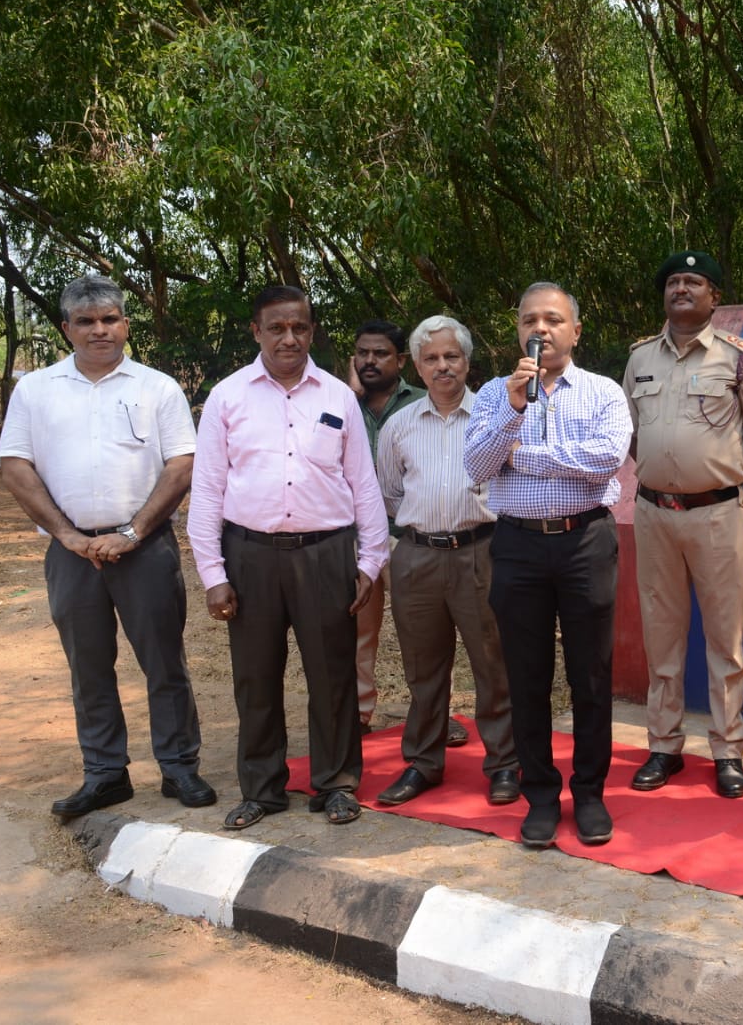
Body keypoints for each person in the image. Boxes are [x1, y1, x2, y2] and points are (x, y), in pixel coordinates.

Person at [0, 274, 215, 818]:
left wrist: (134, 532)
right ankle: (105, 773)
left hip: (145, 549)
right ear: (67, 329)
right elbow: (15, 465)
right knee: (88, 666)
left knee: (164, 662)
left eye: (110, 319)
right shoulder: (36, 390)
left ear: (125, 324)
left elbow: (182, 465)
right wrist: (67, 534)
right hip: (70, 553)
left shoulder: (157, 387)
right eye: (87, 322)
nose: (101, 330)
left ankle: (179, 767)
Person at [188, 285, 389, 831]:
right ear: (256, 332)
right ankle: (262, 789)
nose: (289, 338)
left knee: (333, 675)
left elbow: (363, 483)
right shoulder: (229, 397)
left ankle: (337, 784)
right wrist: (213, 574)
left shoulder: (337, 396)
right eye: (276, 328)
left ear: (312, 331)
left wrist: (370, 561)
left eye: (299, 327)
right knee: (255, 677)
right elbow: (207, 490)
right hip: (250, 555)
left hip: (326, 554)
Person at [463, 282, 630, 849]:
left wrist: (524, 456)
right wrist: (512, 412)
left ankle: (589, 794)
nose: (542, 329)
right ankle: (539, 794)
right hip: (517, 545)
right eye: (530, 320)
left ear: (575, 331)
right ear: (518, 330)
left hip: (585, 541)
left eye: (554, 320)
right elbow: (478, 467)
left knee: (591, 674)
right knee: (526, 675)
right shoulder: (493, 393)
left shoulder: (604, 392)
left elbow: (604, 462)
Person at [622, 251, 743, 798]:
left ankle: (727, 750)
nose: (682, 288)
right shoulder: (641, 357)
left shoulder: (739, 358)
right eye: (673, 281)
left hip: (716, 516)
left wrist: (729, 486)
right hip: (653, 515)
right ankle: (664, 746)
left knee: (724, 640)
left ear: (715, 297)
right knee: (661, 635)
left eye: (694, 281)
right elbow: (631, 432)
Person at [374, 315, 519, 806]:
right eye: (431, 358)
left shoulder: (494, 416)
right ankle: (422, 763)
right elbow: (390, 493)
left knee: (493, 663)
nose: (442, 366)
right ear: (415, 365)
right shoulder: (399, 425)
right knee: (423, 669)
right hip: (416, 557)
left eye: (451, 356)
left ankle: (504, 763)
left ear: (467, 361)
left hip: (482, 551)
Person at [348, 319, 427, 736]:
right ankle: (357, 716)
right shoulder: (335, 405)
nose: (370, 361)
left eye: (380, 354)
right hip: (352, 538)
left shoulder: (422, 402)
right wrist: (349, 397)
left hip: (406, 536)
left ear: (400, 360)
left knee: (421, 630)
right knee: (357, 632)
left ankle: (430, 715)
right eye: (362, 353)